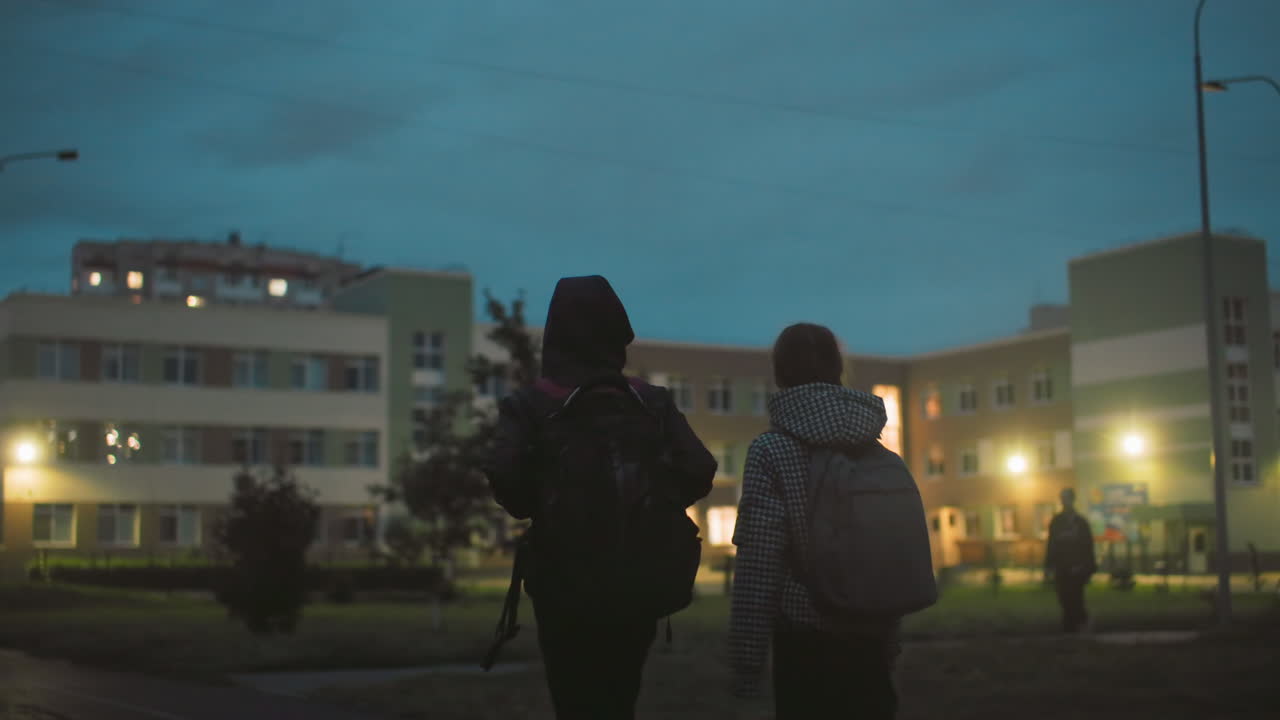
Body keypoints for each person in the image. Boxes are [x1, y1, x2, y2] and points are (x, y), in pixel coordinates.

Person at [484, 275, 716, 719]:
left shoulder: (531, 403)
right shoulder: (649, 401)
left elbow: (507, 478)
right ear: (617, 331)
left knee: (574, 699)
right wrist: (653, 506)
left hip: (562, 583)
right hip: (639, 579)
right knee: (620, 695)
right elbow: (699, 468)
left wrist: (548, 502)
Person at [729, 322, 900, 719]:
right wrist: (889, 641)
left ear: (779, 374)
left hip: (805, 643)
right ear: (839, 371)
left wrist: (747, 665)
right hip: (869, 637)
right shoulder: (876, 451)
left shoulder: (771, 451)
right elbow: (889, 550)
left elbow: (759, 565)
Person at [1044, 487, 1098, 633]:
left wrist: (1089, 565)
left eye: (1066, 498)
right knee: (1064, 596)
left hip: (1077, 565)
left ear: (1072, 500)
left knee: (1076, 596)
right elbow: (1051, 543)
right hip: (1062, 566)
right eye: (1062, 498)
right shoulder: (1057, 521)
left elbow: (1087, 545)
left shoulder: (1080, 522)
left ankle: (1078, 623)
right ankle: (1071, 624)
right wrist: (1049, 565)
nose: (1064, 501)